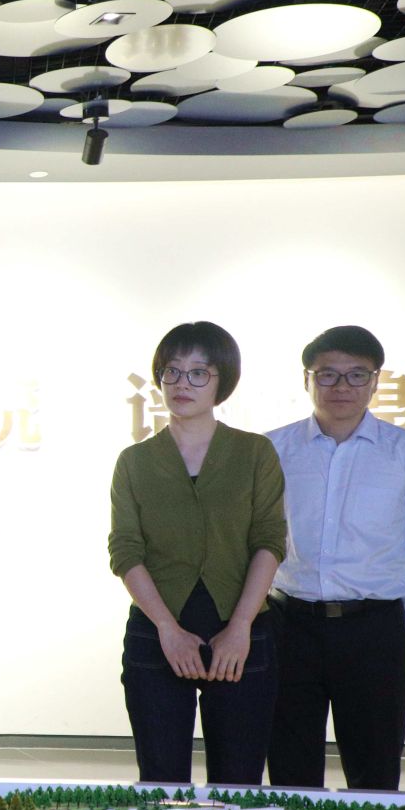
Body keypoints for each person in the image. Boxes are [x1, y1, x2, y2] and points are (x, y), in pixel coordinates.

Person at [265, 326, 405, 791]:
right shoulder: (272, 450)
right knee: (289, 770)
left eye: (356, 374)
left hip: (374, 631)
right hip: (288, 625)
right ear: (306, 379)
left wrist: (390, 610)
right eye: (327, 374)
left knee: (375, 772)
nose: (341, 386)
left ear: (375, 381)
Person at [109, 322, 287, 785]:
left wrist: (240, 627)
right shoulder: (135, 461)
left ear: (222, 381)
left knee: (238, 784)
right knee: (160, 781)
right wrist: (167, 629)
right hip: (158, 633)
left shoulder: (255, 452)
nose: (181, 384)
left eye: (198, 373)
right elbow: (125, 550)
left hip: (241, 632)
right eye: (171, 371)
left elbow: (270, 540)